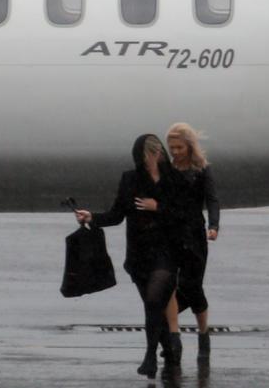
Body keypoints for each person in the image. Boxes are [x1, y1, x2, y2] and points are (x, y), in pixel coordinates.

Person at [74, 134, 182, 379]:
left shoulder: (173, 179)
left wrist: (158, 207)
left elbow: (183, 213)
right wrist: (92, 217)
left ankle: (150, 356)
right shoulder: (130, 179)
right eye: (147, 156)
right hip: (139, 254)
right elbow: (117, 214)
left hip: (166, 251)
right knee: (152, 305)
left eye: (156, 154)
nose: (152, 160)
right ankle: (170, 350)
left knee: (155, 299)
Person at [164, 123, 220, 362]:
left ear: (189, 146)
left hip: (195, 233)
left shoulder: (201, 169)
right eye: (171, 147)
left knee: (193, 286)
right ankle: (173, 337)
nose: (175, 151)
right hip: (171, 233)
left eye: (179, 147)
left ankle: (203, 333)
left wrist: (214, 225)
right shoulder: (166, 169)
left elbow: (212, 199)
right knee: (170, 286)